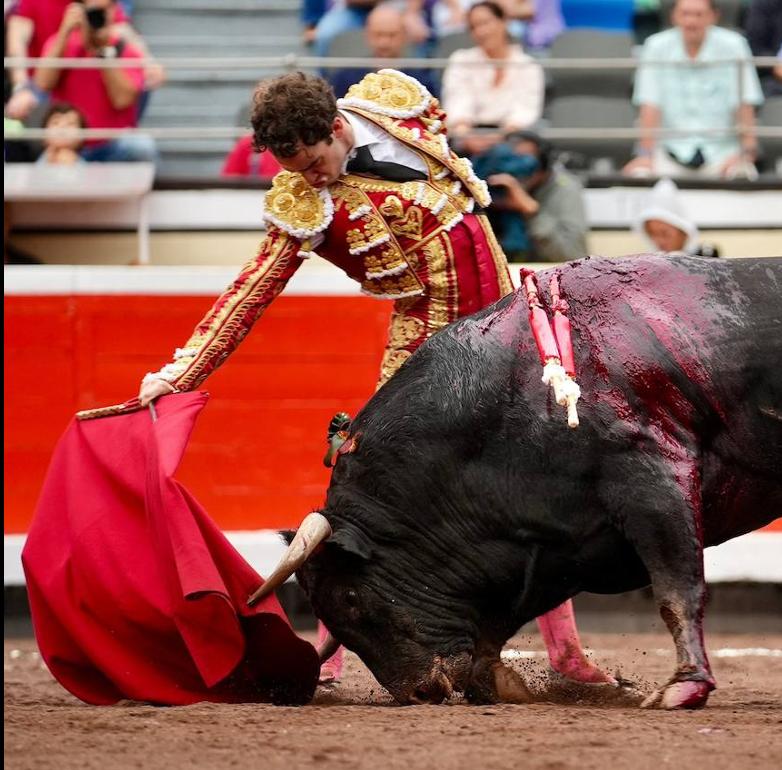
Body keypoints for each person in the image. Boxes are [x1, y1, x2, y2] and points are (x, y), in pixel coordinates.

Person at [134, 70, 609, 688]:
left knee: (535, 475)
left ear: (337, 127)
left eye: (315, 162)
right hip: (427, 344)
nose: (311, 178)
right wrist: (180, 372)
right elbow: (251, 291)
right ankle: (331, 656)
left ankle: (567, 657)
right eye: (296, 169)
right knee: (378, 493)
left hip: (504, 319)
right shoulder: (305, 205)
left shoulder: (393, 105)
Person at [626, 0, 763, 180]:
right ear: (673, 16)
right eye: (685, 14)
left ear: (714, 16)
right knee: (639, 175)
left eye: (699, 14)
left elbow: (745, 103)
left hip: (723, 154)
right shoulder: (655, 46)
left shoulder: (734, 45)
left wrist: (746, 154)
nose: (691, 21)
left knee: (744, 175)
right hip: (669, 153)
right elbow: (649, 105)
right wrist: (645, 155)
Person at [31, 0, 156, 162]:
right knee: (49, 162)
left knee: (141, 147)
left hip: (111, 146)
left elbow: (122, 100)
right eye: (92, 11)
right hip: (69, 145)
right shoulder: (61, 43)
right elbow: (42, 84)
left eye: (103, 10)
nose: (97, 16)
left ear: (113, 12)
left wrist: (104, 51)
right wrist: (65, 31)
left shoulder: (127, 49)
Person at [6, 0, 164, 122]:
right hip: (47, 82)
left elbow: (123, 29)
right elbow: (17, 42)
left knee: (139, 78)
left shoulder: (99, 5)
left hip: (94, 79)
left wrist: (148, 61)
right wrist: (21, 86)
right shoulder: (35, 5)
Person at [441, 1, 544, 156]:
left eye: (485, 23)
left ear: (504, 22)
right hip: (468, 135)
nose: (481, 32)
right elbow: (458, 104)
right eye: (474, 27)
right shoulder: (461, 59)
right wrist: (467, 137)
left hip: (513, 136)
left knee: (517, 151)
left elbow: (525, 111)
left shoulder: (528, 65)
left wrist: (501, 137)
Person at [481, 130, 589, 262]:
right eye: (507, 159)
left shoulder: (565, 187)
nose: (514, 169)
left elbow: (572, 256)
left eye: (525, 160)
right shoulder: (486, 186)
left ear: (544, 163)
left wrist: (531, 211)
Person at [326, 3, 435, 99]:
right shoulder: (344, 78)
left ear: (404, 36)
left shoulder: (420, 81)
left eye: (392, 35)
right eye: (378, 34)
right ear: (367, 34)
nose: (384, 42)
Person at [634, 177, 719, 257]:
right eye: (653, 234)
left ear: (682, 232)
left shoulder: (706, 257)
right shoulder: (647, 266)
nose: (659, 241)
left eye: (665, 234)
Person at [36, 100, 85, 165]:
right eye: (56, 123)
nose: (63, 127)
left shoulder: (88, 168)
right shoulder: (36, 166)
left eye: (70, 123)